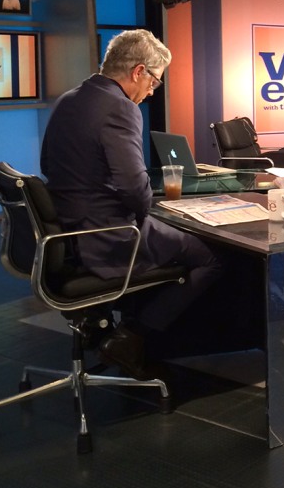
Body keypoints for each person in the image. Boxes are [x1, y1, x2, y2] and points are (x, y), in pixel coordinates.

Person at [40, 29, 225, 378]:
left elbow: (48, 166)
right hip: (108, 233)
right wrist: (145, 208)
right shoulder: (120, 108)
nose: (151, 91)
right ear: (138, 72)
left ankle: (106, 328)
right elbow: (133, 190)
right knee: (209, 258)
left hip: (69, 233)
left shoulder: (70, 98)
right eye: (154, 81)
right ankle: (130, 338)